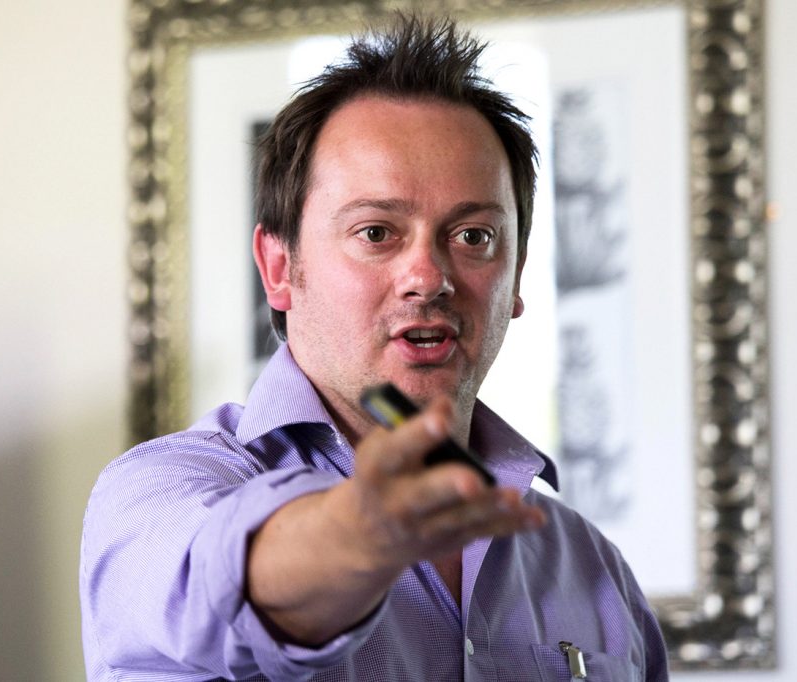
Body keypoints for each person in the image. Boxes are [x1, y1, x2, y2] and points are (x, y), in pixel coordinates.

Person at [80, 14, 668, 681]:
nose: (428, 277)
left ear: (517, 277)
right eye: (376, 232)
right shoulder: (157, 495)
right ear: (279, 268)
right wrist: (358, 534)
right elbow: (217, 584)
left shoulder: (592, 568)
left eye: (473, 236)